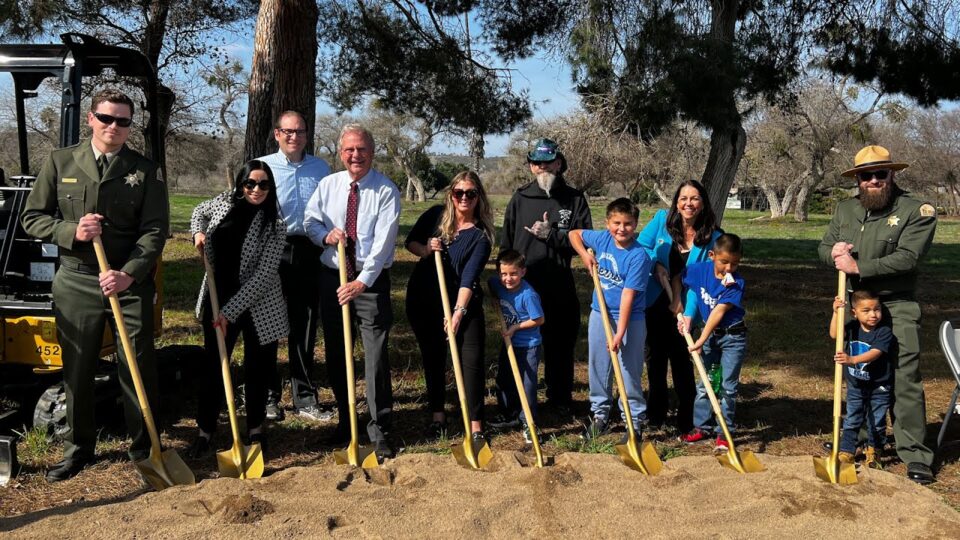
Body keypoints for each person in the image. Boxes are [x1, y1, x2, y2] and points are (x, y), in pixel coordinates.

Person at [21, 89, 169, 481]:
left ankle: (145, 447)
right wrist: (71, 230)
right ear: (91, 118)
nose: (113, 127)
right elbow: (32, 218)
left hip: (127, 283)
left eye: (123, 121)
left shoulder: (145, 169)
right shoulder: (61, 161)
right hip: (77, 281)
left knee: (137, 365)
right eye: (106, 118)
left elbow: (155, 230)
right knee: (78, 367)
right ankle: (78, 448)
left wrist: (130, 273)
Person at [818, 145, 938, 485]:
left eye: (879, 174)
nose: (873, 180)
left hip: (896, 304)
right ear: (857, 180)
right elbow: (825, 248)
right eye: (865, 175)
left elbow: (909, 257)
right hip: (856, 305)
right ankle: (854, 436)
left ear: (892, 174)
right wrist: (834, 252)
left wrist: (860, 266)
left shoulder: (917, 210)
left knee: (904, 377)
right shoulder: (846, 210)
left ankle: (914, 452)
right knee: (858, 373)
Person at [304, 124, 400, 459]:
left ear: (372, 152)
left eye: (361, 149)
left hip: (369, 283)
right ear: (340, 152)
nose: (355, 156)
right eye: (349, 150)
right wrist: (325, 236)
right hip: (332, 278)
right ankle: (348, 425)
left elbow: (384, 244)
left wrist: (362, 281)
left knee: (375, 357)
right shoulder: (328, 185)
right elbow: (310, 222)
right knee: (337, 352)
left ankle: (379, 427)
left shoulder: (385, 191)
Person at [187, 160, 288, 457]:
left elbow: (264, 276)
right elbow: (197, 212)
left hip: (258, 304)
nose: (256, 190)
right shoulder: (224, 203)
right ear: (241, 185)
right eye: (250, 184)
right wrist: (198, 233)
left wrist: (229, 313)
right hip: (217, 295)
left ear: (271, 188)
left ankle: (255, 429)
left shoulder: (276, 225)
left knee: (258, 367)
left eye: (264, 184)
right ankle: (205, 430)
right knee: (214, 366)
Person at [501, 138, 592, 412]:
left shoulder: (574, 198)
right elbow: (505, 245)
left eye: (548, 162)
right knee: (520, 345)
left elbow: (585, 240)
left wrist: (553, 235)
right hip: (524, 287)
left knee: (560, 345)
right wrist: (504, 282)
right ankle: (516, 403)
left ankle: (560, 400)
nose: (543, 168)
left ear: (559, 163)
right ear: (530, 166)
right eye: (537, 163)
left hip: (559, 284)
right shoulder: (520, 198)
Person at [405, 172, 494, 442]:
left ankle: (475, 426)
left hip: (462, 304)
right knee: (433, 358)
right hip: (424, 300)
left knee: (471, 363)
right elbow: (411, 242)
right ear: (451, 195)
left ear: (479, 196)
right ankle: (438, 417)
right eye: (459, 193)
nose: (464, 198)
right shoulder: (434, 216)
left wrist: (458, 313)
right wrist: (426, 250)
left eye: (470, 193)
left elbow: (469, 278)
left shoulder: (481, 236)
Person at [258, 110, 332, 422]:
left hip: (309, 250)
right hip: (272, 248)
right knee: (269, 324)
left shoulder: (321, 168)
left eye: (299, 131)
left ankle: (304, 397)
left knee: (303, 325)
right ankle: (268, 397)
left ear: (306, 135)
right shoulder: (263, 167)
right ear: (277, 134)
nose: (293, 137)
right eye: (287, 131)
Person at [638, 180, 721, 434]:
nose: (689, 203)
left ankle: (687, 418)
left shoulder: (713, 237)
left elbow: (704, 281)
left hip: (687, 303)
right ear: (676, 202)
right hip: (656, 297)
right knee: (655, 358)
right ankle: (656, 413)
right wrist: (655, 264)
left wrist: (687, 312)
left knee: (683, 359)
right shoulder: (662, 220)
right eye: (684, 198)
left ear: (703, 203)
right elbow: (642, 248)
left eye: (694, 198)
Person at [569, 198, 652, 438]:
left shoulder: (639, 256)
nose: (621, 228)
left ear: (635, 224)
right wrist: (585, 255)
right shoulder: (603, 239)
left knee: (629, 369)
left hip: (630, 319)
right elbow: (574, 234)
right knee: (599, 365)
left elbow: (628, 296)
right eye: (616, 223)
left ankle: (634, 419)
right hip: (599, 313)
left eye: (627, 223)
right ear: (608, 223)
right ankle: (600, 415)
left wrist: (620, 333)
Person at [678, 234, 747, 452]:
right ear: (712, 256)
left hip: (732, 338)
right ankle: (702, 426)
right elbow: (682, 280)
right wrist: (681, 309)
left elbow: (718, 312)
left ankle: (724, 433)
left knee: (728, 386)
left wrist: (700, 339)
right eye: (724, 262)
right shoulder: (699, 270)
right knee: (706, 383)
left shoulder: (736, 283)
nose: (729, 268)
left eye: (734, 263)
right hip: (710, 338)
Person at [829, 290, 893, 469]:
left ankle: (874, 451)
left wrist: (852, 360)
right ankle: (847, 451)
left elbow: (875, 353)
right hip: (856, 384)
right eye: (866, 310)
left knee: (877, 420)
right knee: (852, 417)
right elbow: (835, 335)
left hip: (879, 385)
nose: (873, 314)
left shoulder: (884, 331)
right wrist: (836, 313)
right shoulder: (852, 327)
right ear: (854, 313)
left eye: (877, 309)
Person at [488, 250, 545, 444]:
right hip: (510, 343)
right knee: (504, 378)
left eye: (513, 273)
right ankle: (507, 413)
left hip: (529, 346)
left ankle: (529, 422)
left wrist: (515, 327)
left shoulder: (528, 295)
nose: (508, 278)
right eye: (503, 274)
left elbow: (539, 319)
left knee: (527, 384)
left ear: (523, 272)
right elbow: (491, 283)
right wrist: (494, 298)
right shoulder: (498, 284)